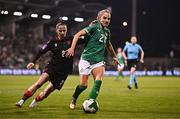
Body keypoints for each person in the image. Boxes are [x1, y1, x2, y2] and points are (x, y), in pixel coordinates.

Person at [66, 9, 119, 109]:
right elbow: (77, 35)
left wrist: (114, 56)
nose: (107, 20)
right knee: (83, 85)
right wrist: (72, 48)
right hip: (86, 59)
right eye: (104, 18)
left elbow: (108, 44)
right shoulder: (94, 27)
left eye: (108, 19)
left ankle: (90, 101)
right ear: (99, 18)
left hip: (98, 61)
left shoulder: (107, 31)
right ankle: (74, 97)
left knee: (98, 81)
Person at [15, 22, 74, 108]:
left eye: (64, 30)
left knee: (47, 92)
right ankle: (22, 100)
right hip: (52, 67)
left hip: (63, 72)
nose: (62, 32)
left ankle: (35, 101)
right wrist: (33, 61)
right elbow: (41, 51)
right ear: (56, 30)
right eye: (60, 30)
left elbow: (85, 36)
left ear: (66, 31)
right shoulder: (52, 42)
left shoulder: (72, 39)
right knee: (39, 83)